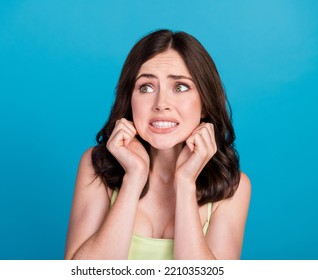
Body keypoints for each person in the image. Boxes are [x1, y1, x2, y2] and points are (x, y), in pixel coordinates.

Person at [64, 29, 251, 260]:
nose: (161, 103)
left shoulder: (233, 186)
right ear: (129, 100)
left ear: (204, 104)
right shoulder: (96, 166)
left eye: (180, 87)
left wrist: (185, 184)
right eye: (146, 87)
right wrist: (133, 179)